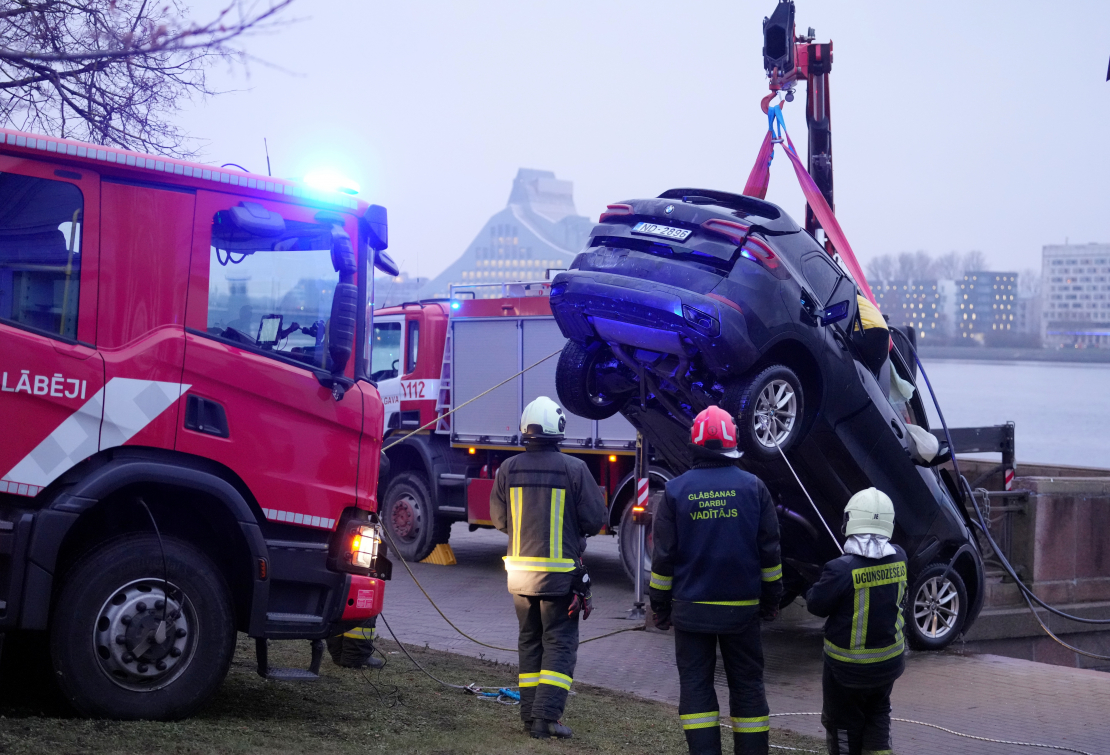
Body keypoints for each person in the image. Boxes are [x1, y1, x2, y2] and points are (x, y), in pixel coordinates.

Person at [649, 405, 783, 755]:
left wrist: (660, 608)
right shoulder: (755, 488)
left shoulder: (676, 492)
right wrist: (771, 602)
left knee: (696, 687)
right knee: (748, 687)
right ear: (733, 443)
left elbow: (663, 561)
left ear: (695, 444)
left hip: (691, 613)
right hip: (742, 614)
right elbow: (770, 556)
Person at [490, 396, 607, 740]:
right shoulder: (574, 469)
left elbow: (499, 519)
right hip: (559, 578)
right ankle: (546, 718)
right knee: (559, 643)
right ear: (559, 429)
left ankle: (529, 717)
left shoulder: (507, 468)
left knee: (529, 641)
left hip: (520, 575)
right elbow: (594, 519)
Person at [805, 488, 908, 755]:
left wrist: (816, 583)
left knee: (842, 726)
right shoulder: (900, 557)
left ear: (850, 520)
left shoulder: (840, 569)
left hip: (848, 671)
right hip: (889, 664)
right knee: (878, 717)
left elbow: (816, 605)